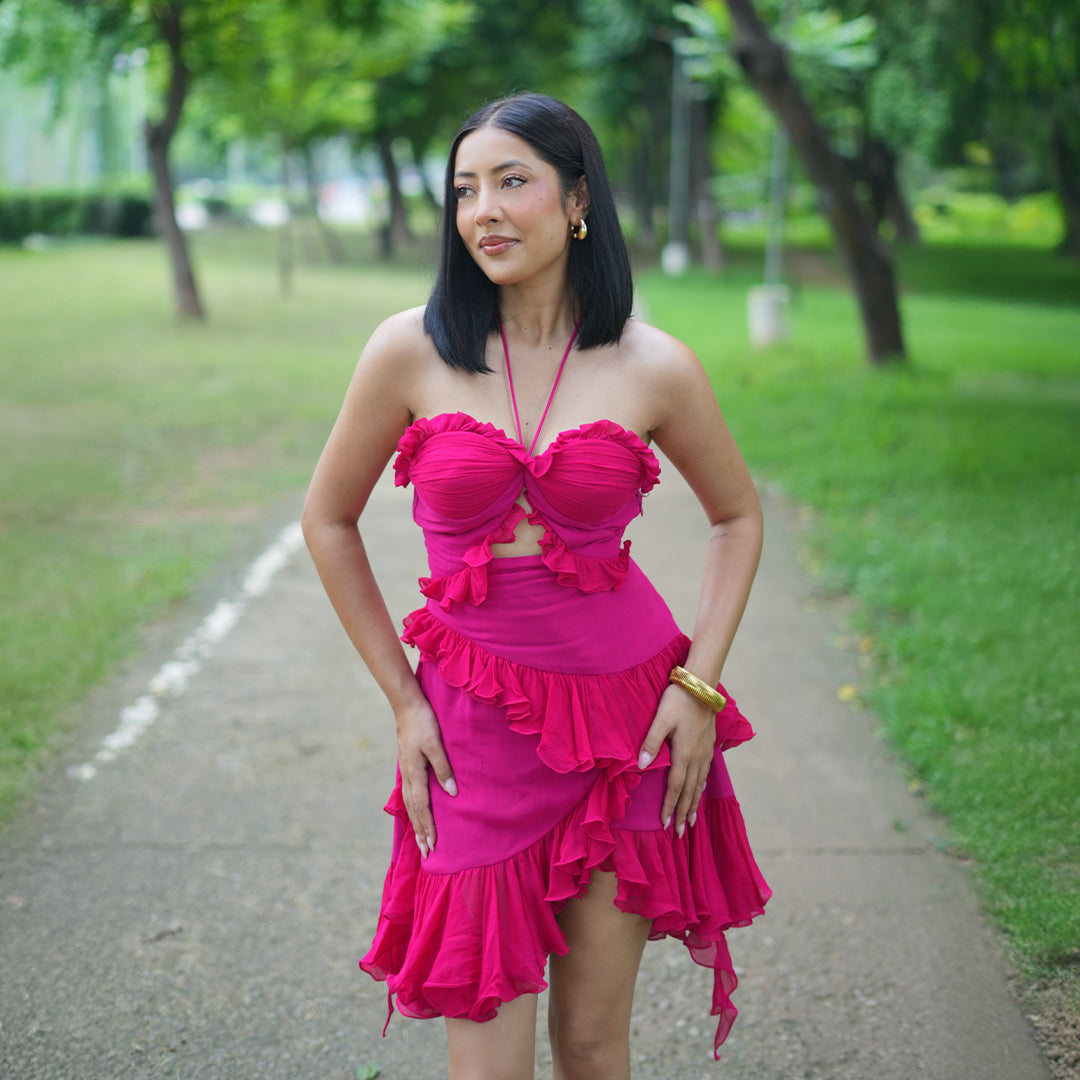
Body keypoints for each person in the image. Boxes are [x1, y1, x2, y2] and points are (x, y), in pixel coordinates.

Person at [302, 92, 770, 1080]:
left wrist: (699, 688)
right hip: (476, 733)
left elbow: (738, 517)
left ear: (578, 200)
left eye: (512, 181)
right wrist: (402, 699)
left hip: (632, 724)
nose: (484, 210)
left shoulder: (656, 363)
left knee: (595, 1049)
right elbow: (328, 519)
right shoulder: (408, 349)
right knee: (486, 1062)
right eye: (466, 189)